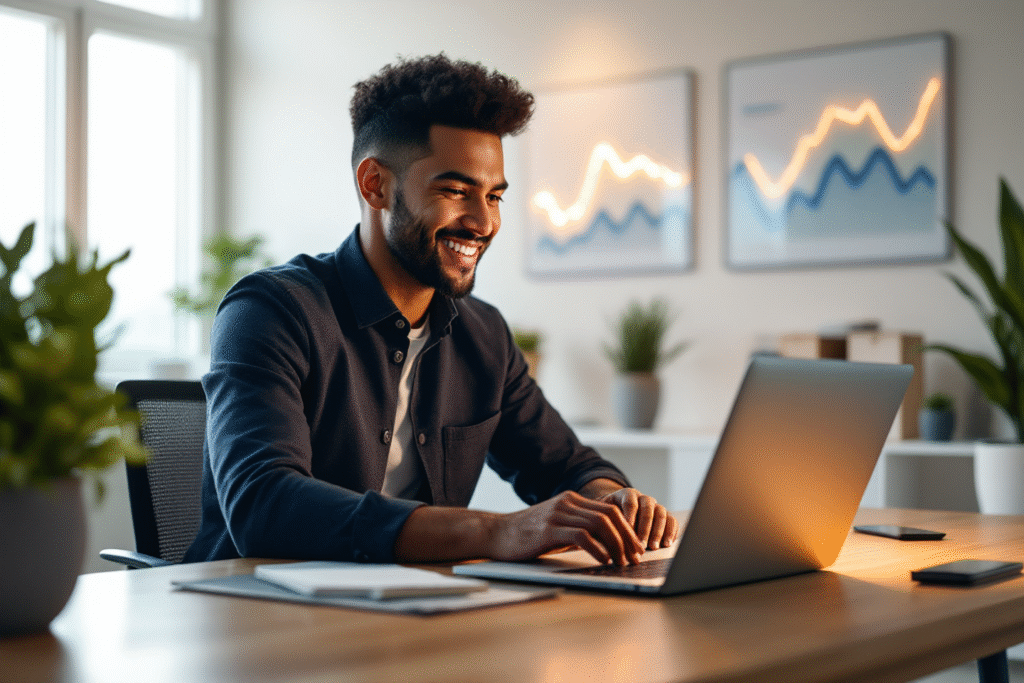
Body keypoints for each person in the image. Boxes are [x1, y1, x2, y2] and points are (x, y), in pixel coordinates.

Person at [184, 54, 679, 567]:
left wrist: (611, 502)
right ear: (374, 184)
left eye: (494, 196)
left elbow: (565, 466)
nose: (483, 222)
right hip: (261, 615)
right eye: (455, 191)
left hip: (413, 614)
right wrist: (494, 531)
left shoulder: (483, 334)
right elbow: (263, 506)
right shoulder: (272, 311)